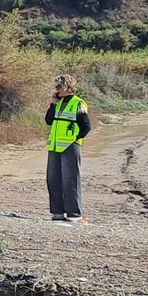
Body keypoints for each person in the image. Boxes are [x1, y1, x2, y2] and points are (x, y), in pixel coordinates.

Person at [45, 74, 92, 223]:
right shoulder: (57, 103)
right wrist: (52, 104)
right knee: (53, 179)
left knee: (70, 180)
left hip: (70, 146)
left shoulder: (79, 103)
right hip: (54, 146)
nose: (57, 89)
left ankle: (74, 214)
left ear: (68, 87)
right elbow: (48, 121)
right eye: (56, 86)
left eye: (59, 86)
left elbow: (86, 126)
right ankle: (57, 212)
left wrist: (74, 139)